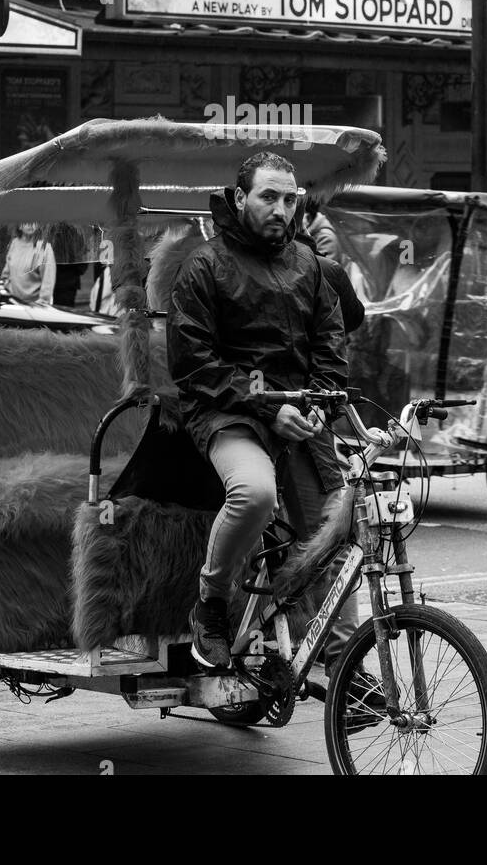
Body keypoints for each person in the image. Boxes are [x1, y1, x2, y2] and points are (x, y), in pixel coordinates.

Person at [167, 150, 355, 675]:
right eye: (268, 196)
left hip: (301, 416)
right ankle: (210, 602)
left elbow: (331, 349)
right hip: (229, 414)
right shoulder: (204, 266)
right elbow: (194, 364)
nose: (280, 208)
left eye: (290, 199)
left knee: (336, 533)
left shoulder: (312, 267)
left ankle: (345, 667)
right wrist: (269, 410)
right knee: (256, 492)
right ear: (239, 198)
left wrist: (317, 403)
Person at [2, 223, 56, 306]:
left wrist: (42, 303)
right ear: (19, 225)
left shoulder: (44, 247)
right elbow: (6, 273)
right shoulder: (14, 243)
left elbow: (48, 282)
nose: (30, 224)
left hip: (34, 307)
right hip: (13, 303)